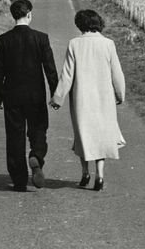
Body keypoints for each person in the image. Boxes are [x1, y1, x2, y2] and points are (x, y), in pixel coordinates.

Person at [50, 10, 125, 191]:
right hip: (104, 97)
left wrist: (58, 98)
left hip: (81, 98)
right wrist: (120, 94)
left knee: (83, 135)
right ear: (98, 23)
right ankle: (100, 175)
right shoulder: (108, 44)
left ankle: (85, 173)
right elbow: (117, 73)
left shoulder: (75, 44)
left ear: (80, 25)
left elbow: (67, 74)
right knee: (101, 135)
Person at [0, 0, 58, 192]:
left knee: (14, 136)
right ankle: (36, 156)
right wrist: (56, 94)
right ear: (29, 14)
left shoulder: (3, 40)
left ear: (14, 16)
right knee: (39, 129)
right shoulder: (41, 38)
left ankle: (19, 180)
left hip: (12, 95)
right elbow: (50, 70)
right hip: (35, 95)